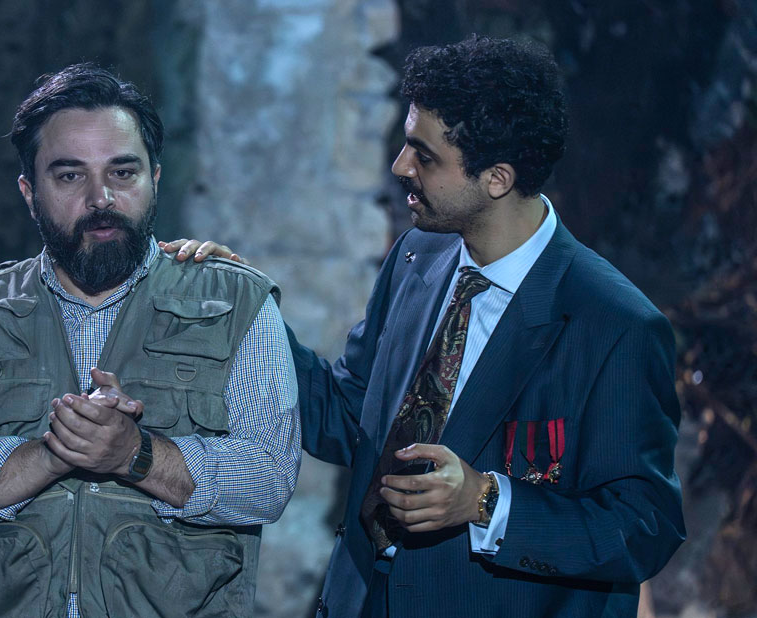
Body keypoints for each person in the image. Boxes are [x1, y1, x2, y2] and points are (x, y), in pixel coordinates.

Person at [166, 35, 685, 617]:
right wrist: (249, 317)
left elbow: (644, 526)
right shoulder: (419, 257)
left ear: (497, 178)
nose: (399, 166)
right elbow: (348, 417)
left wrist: (486, 501)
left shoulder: (616, 325)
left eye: (425, 155)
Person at [0, 64, 300, 618]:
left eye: (122, 172)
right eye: (69, 175)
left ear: (156, 176)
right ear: (30, 193)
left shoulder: (233, 302)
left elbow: (269, 477)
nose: (100, 197)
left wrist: (135, 454)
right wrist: (50, 455)